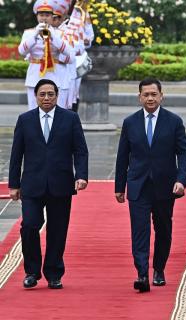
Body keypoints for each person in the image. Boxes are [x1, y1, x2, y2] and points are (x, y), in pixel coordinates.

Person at [8, 79, 89, 289]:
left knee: (57, 229)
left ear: (57, 95)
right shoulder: (25, 120)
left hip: (60, 183)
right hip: (32, 185)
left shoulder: (70, 119)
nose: (46, 98)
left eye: (50, 94)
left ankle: (54, 272)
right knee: (29, 226)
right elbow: (16, 155)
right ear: (36, 96)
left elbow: (80, 150)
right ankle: (32, 272)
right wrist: (13, 184)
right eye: (42, 94)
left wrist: (81, 175)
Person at [115, 78, 186, 293]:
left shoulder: (173, 121)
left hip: (165, 186)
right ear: (139, 97)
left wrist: (181, 180)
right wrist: (119, 186)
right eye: (146, 95)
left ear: (161, 96)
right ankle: (142, 273)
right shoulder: (130, 122)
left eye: (153, 94)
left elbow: (184, 152)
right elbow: (123, 156)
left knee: (163, 229)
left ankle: (159, 269)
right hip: (138, 186)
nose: (150, 98)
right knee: (139, 231)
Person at [18, 0, 74, 110]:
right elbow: (21, 51)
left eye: (47, 15)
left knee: (58, 112)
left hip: (56, 75)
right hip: (36, 76)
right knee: (34, 111)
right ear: (37, 16)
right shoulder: (29, 33)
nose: (44, 18)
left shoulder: (60, 33)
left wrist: (53, 37)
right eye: (41, 15)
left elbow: (69, 53)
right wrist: (34, 35)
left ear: (52, 16)